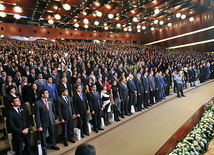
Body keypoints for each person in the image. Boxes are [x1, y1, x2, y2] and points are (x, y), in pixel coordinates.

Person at [35, 89, 60, 155]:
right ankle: (44, 149)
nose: (48, 94)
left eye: (48, 92)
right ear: (42, 94)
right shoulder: (37, 103)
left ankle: (53, 145)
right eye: (46, 93)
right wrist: (39, 125)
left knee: (52, 134)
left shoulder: (50, 100)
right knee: (43, 137)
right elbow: (37, 116)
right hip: (43, 122)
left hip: (51, 120)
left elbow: (53, 110)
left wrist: (56, 118)